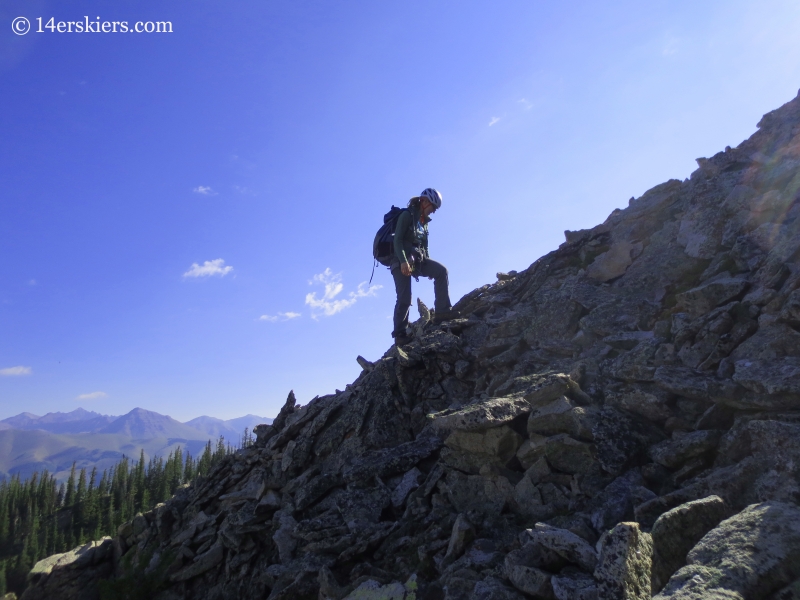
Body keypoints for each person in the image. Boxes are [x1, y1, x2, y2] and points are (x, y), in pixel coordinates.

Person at [391, 188, 459, 345]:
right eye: (433, 207)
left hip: (417, 260)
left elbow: (424, 247)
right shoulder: (407, 215)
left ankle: (443, 312)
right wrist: (403, 261)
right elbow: (398, 240)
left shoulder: (424, 224)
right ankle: (400, 335)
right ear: (424, 201)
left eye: (435, 209)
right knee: (405, 298)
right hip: (399, 259)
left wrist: (428, 265)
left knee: (441, 271)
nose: (433, 211)